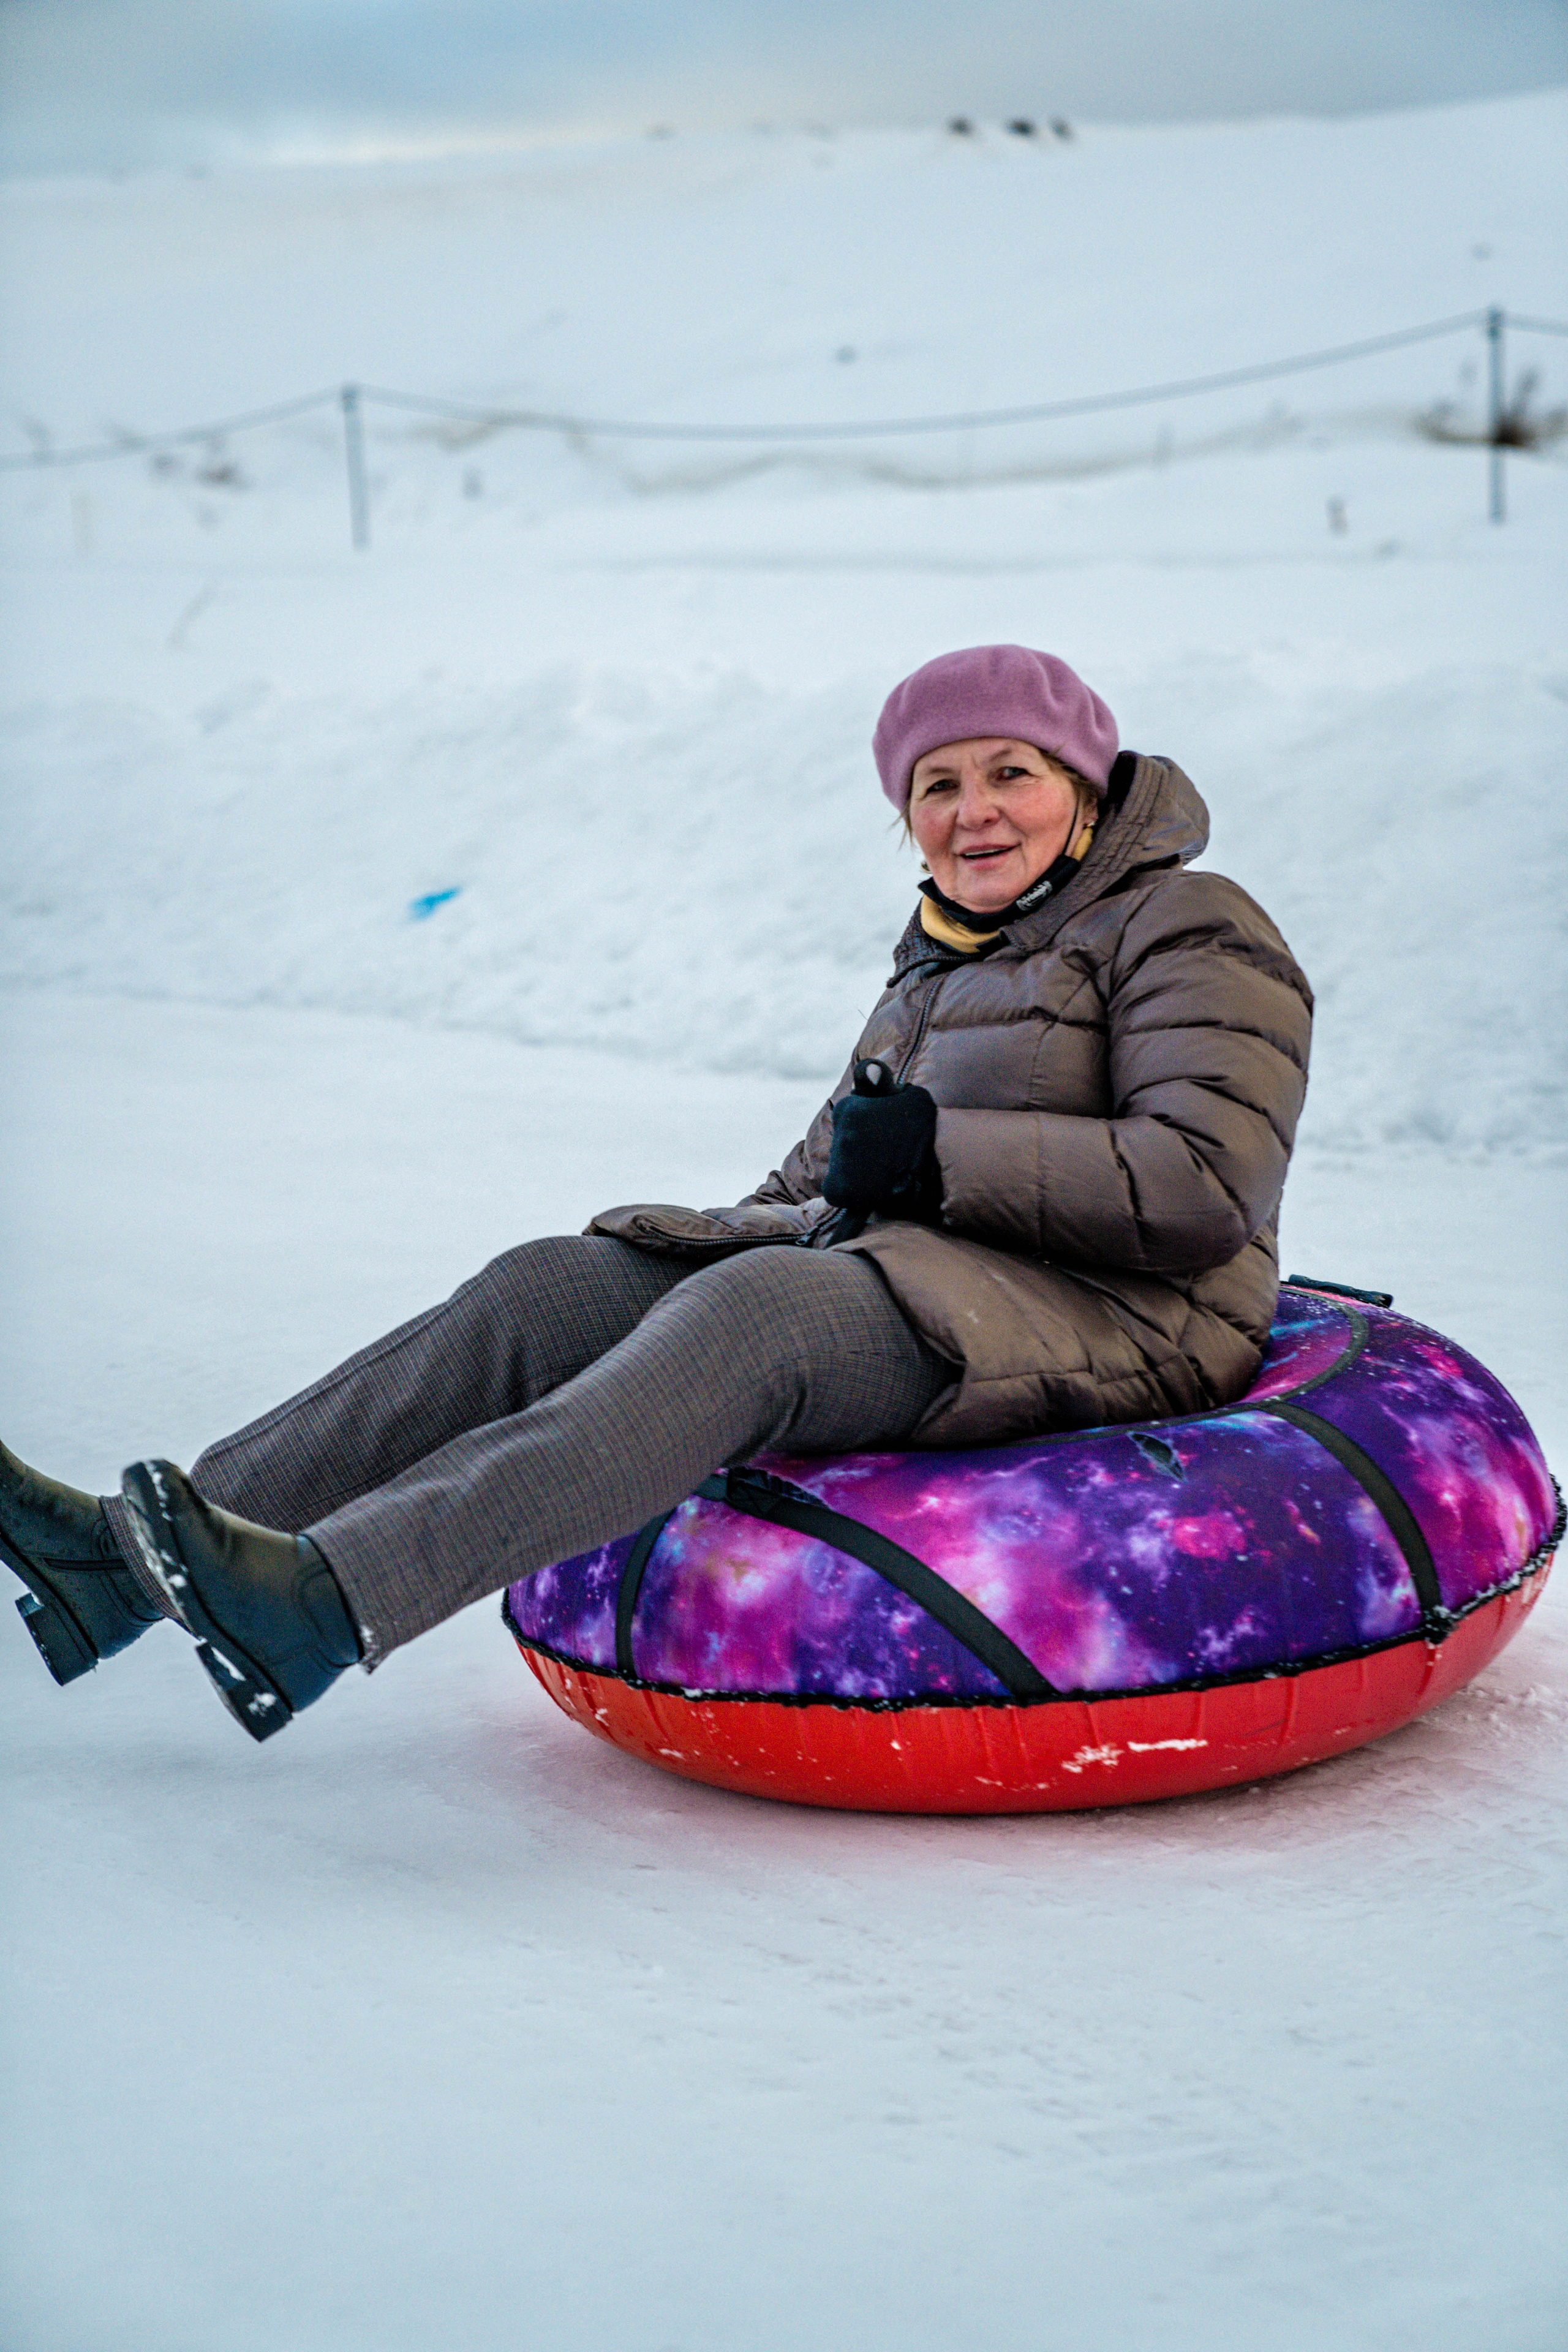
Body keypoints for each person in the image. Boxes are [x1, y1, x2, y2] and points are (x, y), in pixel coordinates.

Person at [1, 645, 1312, 1743]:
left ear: (1082, 791)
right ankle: (118, 1567)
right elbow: (829, 1175)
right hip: (939, 1284)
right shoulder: (936, 963)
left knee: (760, 1319)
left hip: (1128, 1311)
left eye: (1008, 773)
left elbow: (1207, 1184)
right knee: (551, 1284)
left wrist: (930, 1163)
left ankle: (329, 1601)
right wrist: (676, 1254)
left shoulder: (1184, 921)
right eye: (936, 784)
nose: (973, 809)